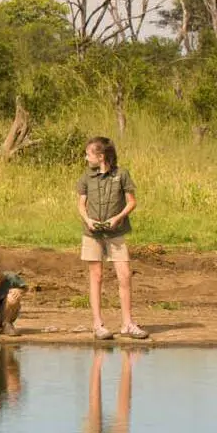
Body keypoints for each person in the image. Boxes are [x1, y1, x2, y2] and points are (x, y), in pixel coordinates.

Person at [78, 136, 147, 341]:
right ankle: (98, 324)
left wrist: (118, 218)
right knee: (96, 276)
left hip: (116, 232)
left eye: (89, 154)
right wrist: (88, 220)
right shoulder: (86, 177)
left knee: (124, 275)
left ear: (101, 156)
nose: (86, 157)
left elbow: (131, 202)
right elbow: (81, 203)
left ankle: (127, 323)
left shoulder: (122, 174)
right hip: (92, 233)